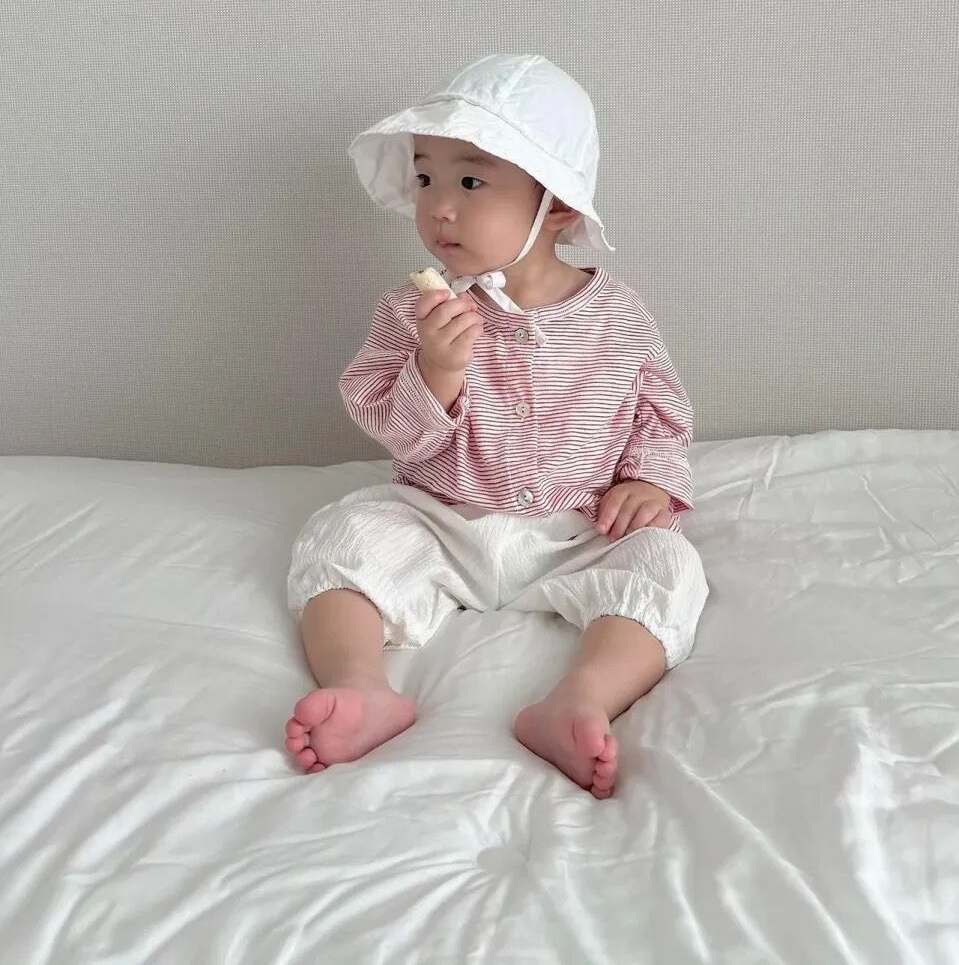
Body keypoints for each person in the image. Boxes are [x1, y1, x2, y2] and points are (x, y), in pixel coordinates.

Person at [284, 53, 709, 798]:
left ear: (558, 206)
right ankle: (361, 686)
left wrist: (649, 480)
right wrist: (435, 371)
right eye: (425, 179)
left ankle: (580, 700)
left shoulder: (616, 315)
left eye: (471, 183)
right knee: (341, 533)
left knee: (668, 566)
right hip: (443, 519)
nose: (438, 208)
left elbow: (659, 410)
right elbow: (384, 419)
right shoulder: (413, 312)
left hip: (575, 531)